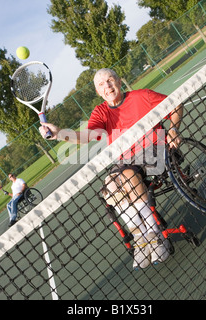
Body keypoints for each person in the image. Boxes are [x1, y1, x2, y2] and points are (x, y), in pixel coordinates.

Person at [39, 68, 183, 270]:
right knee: (109, 187)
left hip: (154, 152)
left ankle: (156, 236)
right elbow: (87, 136)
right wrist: (59, 134)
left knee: (127, 175)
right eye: (101, 84)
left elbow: (176, 104)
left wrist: (174, 130)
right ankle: (141, 238)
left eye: (110, 80)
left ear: (119, 81)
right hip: (126, 163)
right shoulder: (101, 112)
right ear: (98, 92)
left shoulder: (143, 96)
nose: (107, 86)